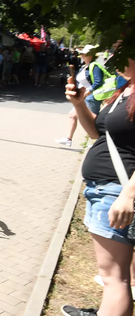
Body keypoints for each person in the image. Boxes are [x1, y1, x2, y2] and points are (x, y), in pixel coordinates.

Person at [60, 55, 135, 316]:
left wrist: (128, 195)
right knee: (112, 275)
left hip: (117, 191)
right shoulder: (125, 89)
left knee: (115, 278)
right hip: (102, 189)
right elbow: (97, 133)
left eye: (122, 50)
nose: (114, 57)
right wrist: (79, 104)